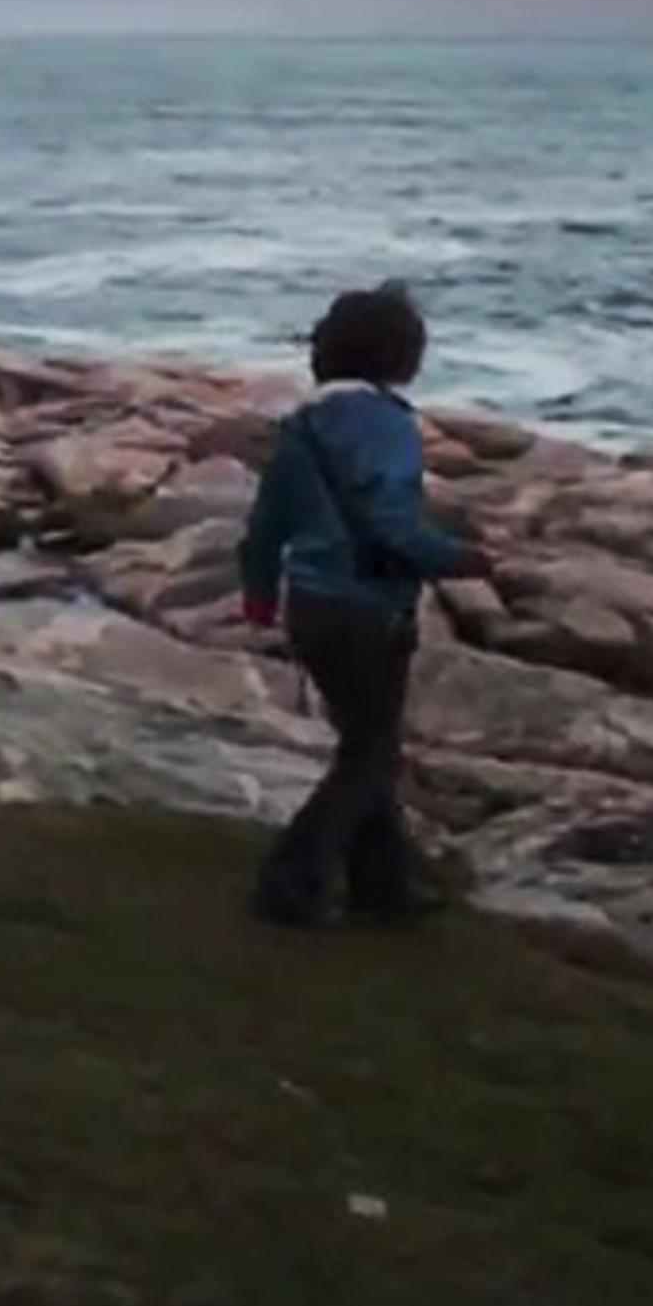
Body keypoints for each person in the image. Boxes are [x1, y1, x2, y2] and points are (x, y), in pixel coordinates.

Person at [235, 282, 489, 928]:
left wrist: (261, 595)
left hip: (311, 604)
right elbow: (391, 524)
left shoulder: (303, 425)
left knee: (365, 744)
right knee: (370, 755)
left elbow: (267, 525)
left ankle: (384, 889)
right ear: (400, 356)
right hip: (368, 608)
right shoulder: (388, 425)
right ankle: (290, 882)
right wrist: (462, 559)